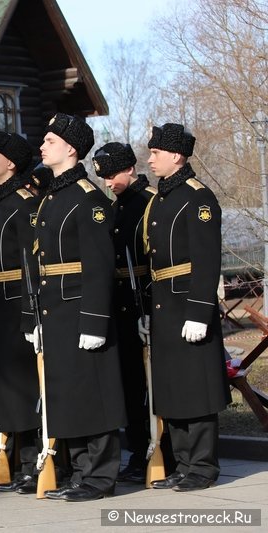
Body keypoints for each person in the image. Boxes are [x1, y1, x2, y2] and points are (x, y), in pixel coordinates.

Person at [33, 113, 126, 502]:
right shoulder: (54, 197)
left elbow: (99, 264)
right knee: (68, 393)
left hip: (80, 309)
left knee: (94, 392)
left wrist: (95, 321)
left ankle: (100, 476)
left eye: (49, 140)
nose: (42, 146)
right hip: (56, 308)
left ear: (70, 148)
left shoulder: (89, 199)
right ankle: (79, 471)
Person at [144, 122, 230, 492]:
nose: (150, 159)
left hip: (188, 304)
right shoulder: (159, 199)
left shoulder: (199, 198)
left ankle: (203, 467)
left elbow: (207, 260)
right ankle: (181, 463)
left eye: (156, 153)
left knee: (196, 387)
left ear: (176, 155)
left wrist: (199, 312)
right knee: (172, 387)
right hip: (164, 303)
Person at [0, 132, 42, 495]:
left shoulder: (22, 203)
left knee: (25, 386)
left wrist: (30, 313)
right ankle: (17, 461)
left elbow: (31, 262)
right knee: (5, 387)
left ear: (11, 163)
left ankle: (35, 462)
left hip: (18, 301)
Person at [91, 142, 156, 484]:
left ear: (129, 168)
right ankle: (139, 448)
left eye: (113, 174)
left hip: (145, 299)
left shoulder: (150, 204)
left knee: (151, 384)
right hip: (120, 303)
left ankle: (161, 449)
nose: (108, 182)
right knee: (130, 383)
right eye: (103, 176)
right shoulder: (114, 208)